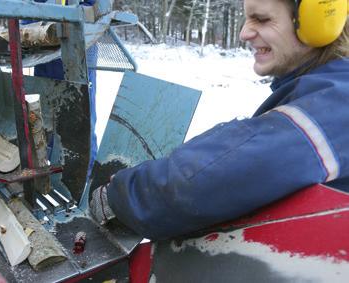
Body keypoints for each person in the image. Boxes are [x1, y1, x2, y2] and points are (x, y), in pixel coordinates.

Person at [90, 0, 349, 240]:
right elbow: (248, 140)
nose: (244, 33)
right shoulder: (327, 90)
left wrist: (123, 196)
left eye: (261, 19)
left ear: (318, 24)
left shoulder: (337, 106)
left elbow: (216, 177)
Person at [23, 0, 98, 178]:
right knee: (45, 110)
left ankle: (82, 175)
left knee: (79, 110)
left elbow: (94, 8)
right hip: (44, 41)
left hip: (79, 39)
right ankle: (48, 167)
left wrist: (78, 14)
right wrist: (30, 26)